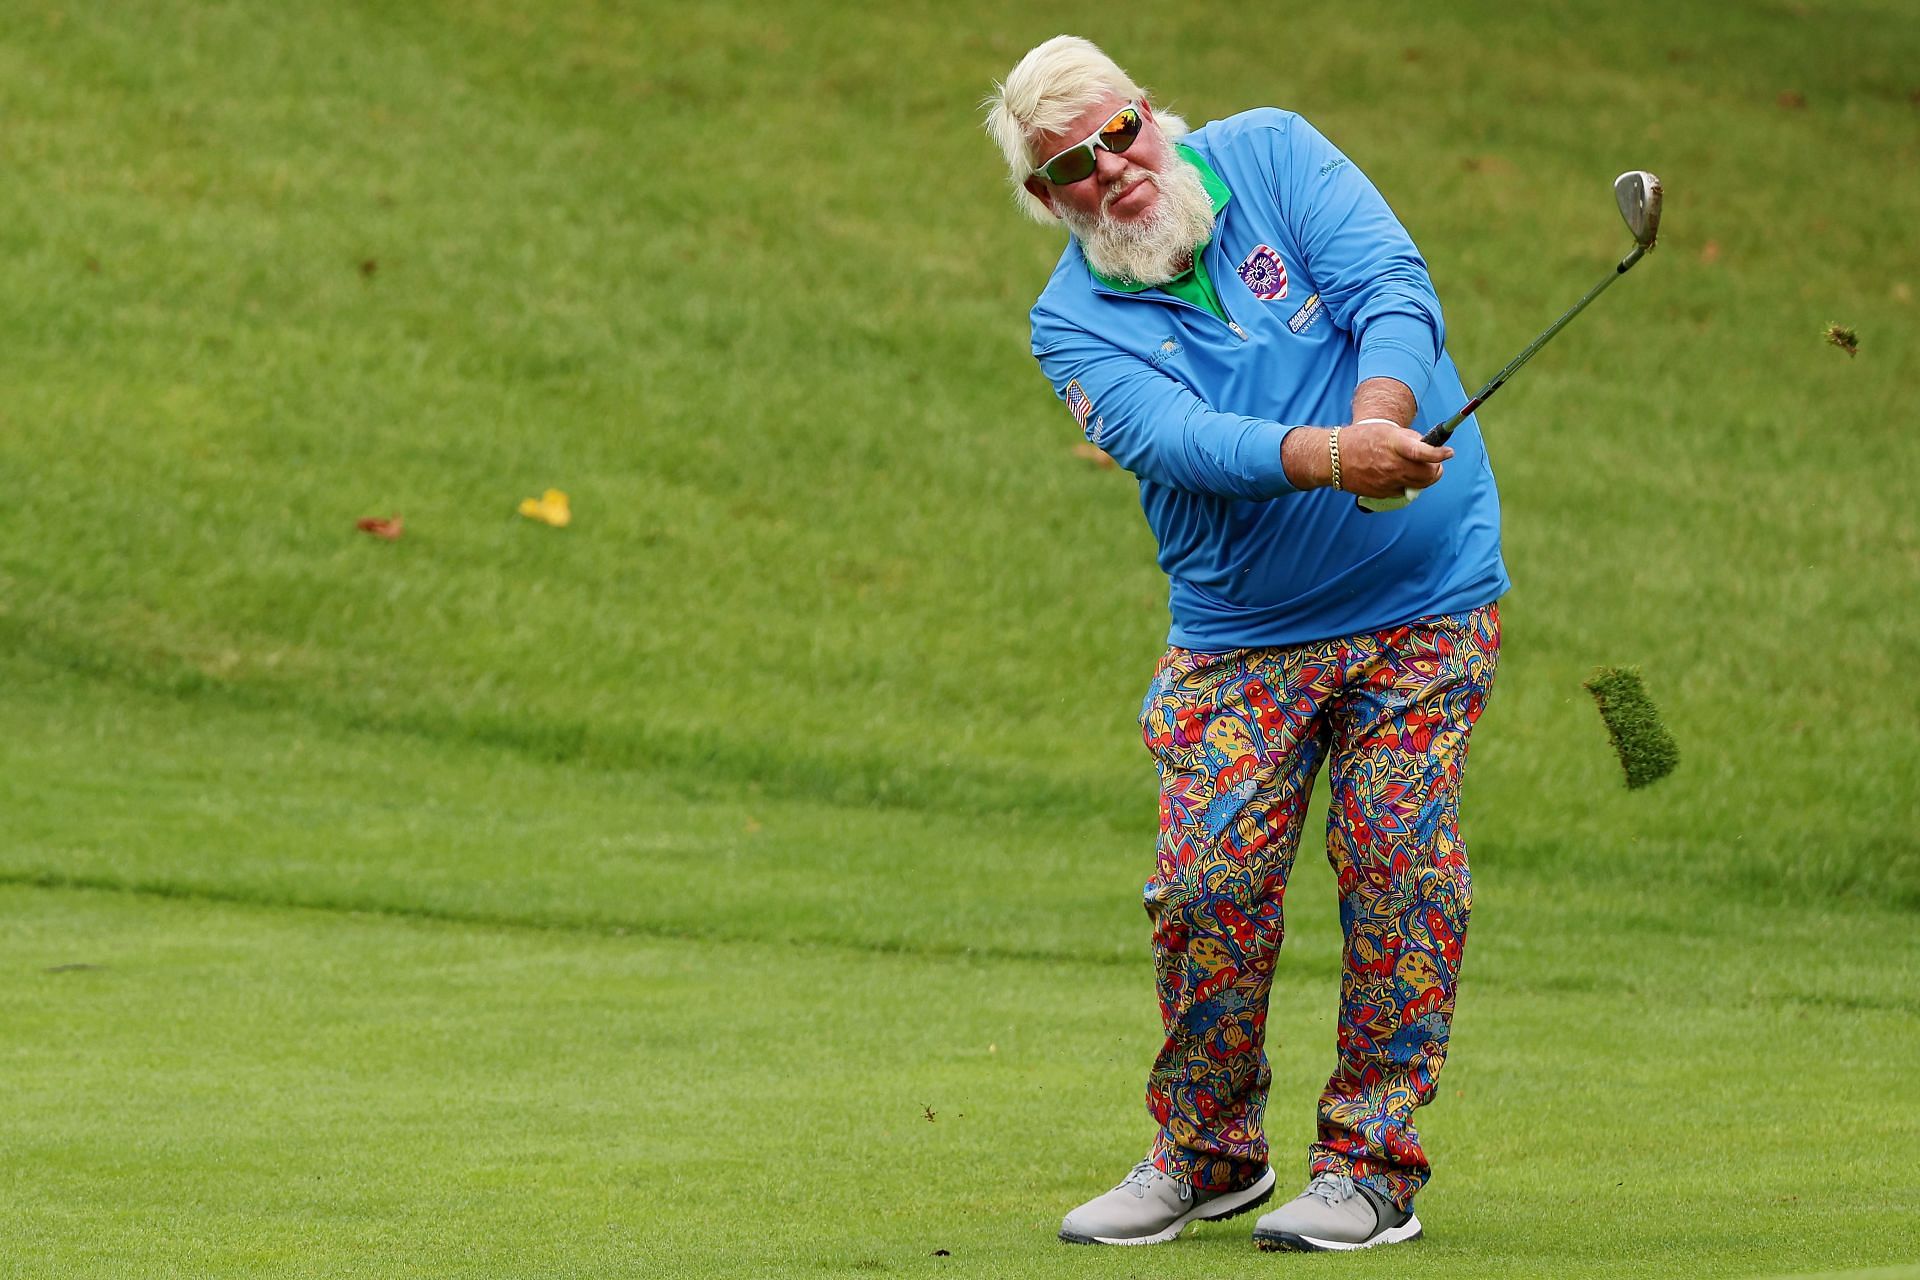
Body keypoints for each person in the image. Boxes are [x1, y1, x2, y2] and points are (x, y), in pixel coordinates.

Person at [983, 36, 1509, 1253]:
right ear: (1044, 197)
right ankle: (1207, 1150)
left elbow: (1391, 284)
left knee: (1398, 862)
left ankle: (1371, 1166)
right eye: (1072, 163)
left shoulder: (1272, 151)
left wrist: (1379, 416)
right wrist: (1335, 457)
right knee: (1209, 882)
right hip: (1242, 634)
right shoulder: (1071, 324)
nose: (1111, 169)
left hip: (1423, 600)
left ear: (1148, 112)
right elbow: (1182, 441)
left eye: (1120, 132)